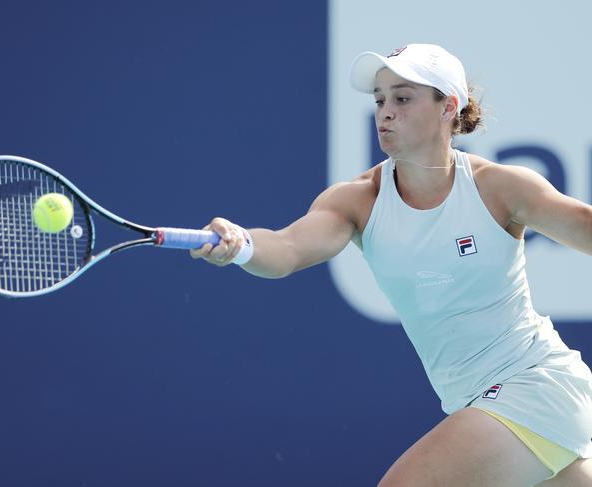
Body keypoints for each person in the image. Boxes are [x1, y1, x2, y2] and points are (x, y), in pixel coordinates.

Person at [190, 44, 592, 486]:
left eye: (402, 98)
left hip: (537, 384)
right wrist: (242, 244)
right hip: (475, 401)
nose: (385, 112)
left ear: (448, 107)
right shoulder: (357, 200)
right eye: (379, 100)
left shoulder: (500, 188)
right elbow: (286, 249)